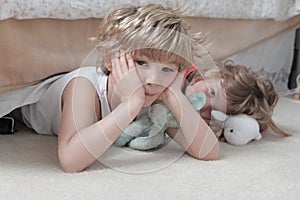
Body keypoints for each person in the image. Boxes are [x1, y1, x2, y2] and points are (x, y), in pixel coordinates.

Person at [14, 4, 219, 173]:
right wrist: (130, 106)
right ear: (113, 58)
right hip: (15, 111)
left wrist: (174, 96)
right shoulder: (84, 87)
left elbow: (208, 152)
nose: (153, 79)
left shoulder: (156, 96)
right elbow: (70, 160)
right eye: (141, 63)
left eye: (167, 69)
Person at [185, 61, 290, 140]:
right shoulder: (177, 68)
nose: (203, 104)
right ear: (212, 73)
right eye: (212, 93)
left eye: (213, 110)